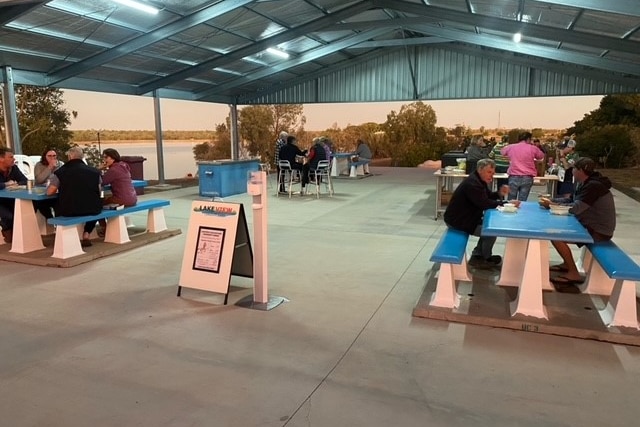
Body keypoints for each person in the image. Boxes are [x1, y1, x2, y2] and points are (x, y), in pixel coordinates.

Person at [539, 157, 615, 289]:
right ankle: (566, 264)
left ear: (580, 170)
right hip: (592, 226)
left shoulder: (593, 186)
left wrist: (552, 205)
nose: (572, 170)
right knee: (556, 231)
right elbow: (572, 200)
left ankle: (573, 272)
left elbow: (576, 208)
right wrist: (553, 201)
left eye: (574, 168)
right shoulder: (587, 182)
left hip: (598, 231)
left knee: (556, 236)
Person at [444, 158, 517, 269]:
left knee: (489, 228)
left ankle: (478, 255)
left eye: (492, 173)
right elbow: (484, 203)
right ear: (480, 170)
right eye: (489, 172)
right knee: (491, 231)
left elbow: (486, 197)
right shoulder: (473, 184)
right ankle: (484, 258)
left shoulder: (478, 180)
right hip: (458, 221)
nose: (491, 176)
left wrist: (499, 193)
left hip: (465, 218)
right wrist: (507, 203)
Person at [46, 146, 102, 247]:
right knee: (95, 204)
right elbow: (98, 190)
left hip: (69, 210)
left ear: (70, 156)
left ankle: (62, 235)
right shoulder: (94, 171)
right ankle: (86, 233)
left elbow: (50, 192)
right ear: (82, 157)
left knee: (55, 204)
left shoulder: (60, 172)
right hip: (93, 209)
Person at [98, 148, 137, 236]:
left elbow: (102, 181)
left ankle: (105, 229)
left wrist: (99, 169)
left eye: (106, 157)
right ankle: (109, 226)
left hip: (122, 199)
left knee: (98, 205)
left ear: (113, 158)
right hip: (133, 198)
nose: (104, 160)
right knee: (106, 201)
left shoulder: (113, 170)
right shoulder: (123, 166)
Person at [501, 131, 545, 201]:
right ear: (528, 139)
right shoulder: (533, 148)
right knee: (523, 200)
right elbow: (541, 156)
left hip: (513, 176)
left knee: (511, 200)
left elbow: (502, 152)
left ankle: (511, 210)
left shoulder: (511, 147)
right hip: (527, 177)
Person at [0, 147, 28, 243]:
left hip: (10, 199)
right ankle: (7, 233)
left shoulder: (14, 168)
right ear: (1, 158)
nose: (14, 159)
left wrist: (15, 184)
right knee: (9, 216)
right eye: (11, 157)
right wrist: (7, 184)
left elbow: (24, 180)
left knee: (23, 212)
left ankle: (18, 237)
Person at [33, 147, 63, 219]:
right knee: (40, 205)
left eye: (54, 156)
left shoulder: (60, 165)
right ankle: (50, 220)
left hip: (55, 193)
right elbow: (39, 180)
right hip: (42, 193)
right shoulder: (39, 165)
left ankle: (58, 225)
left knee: (60, 204)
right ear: (45, 156)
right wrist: (49, 167)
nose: (52, 158)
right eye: (49, 156)